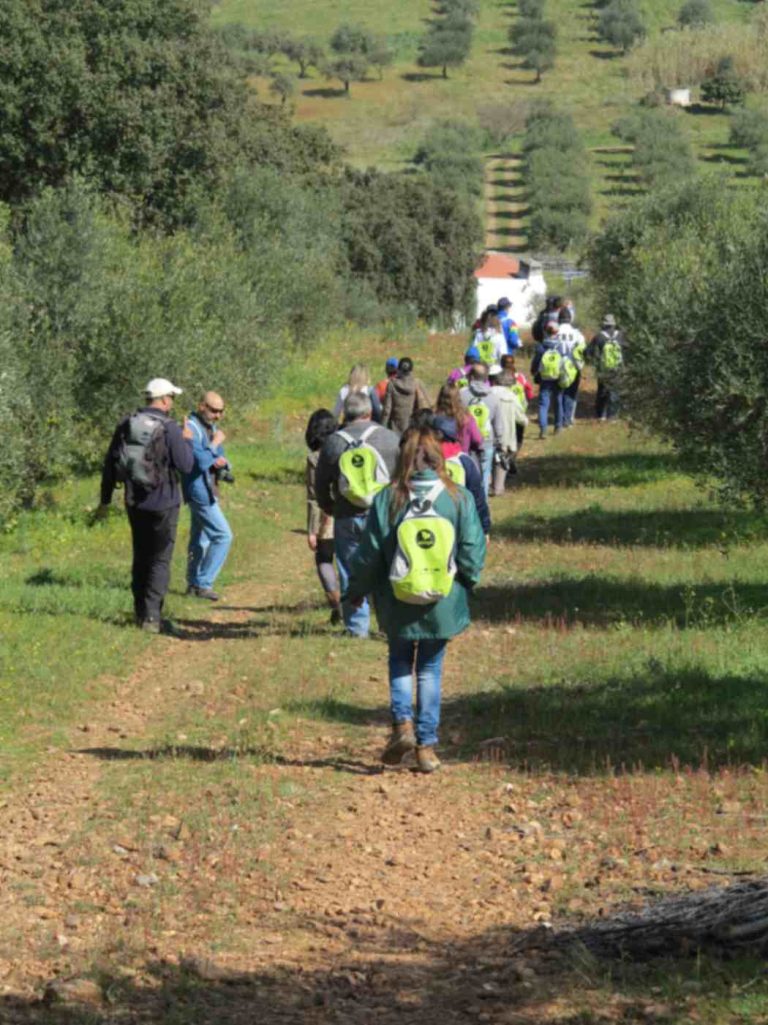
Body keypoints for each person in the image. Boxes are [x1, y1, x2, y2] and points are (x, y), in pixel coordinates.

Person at [346, 426, 486, 773]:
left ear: (403, 459)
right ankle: (426, 747)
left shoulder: (387, 498)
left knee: (399, 660)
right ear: (439, 459)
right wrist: (466, 583)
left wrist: (356, 592)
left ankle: (402, 727)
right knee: (429, 667)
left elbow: (370, 554)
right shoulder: (458, 497)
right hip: (443, 598)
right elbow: (472, 549)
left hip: (397, 598)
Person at [99, 378, 193, 632]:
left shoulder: (126, 423)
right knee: (160, 560)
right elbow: (185, 465)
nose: (172, 402)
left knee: (140, 556)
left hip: (134, 501)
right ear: (163, 400)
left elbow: (110, 463)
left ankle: (140, 614)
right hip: (164, 503)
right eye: (171, 398)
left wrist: (105, 500)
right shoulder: (171, 428)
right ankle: (153, 619)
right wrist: (187, 440)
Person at [315, 392, 400, 638]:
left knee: (349, 569)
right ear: (369, 413)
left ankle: (356, 627)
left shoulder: (333, 443)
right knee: (385, 567)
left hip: (347, 514)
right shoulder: (389, 438)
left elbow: (321, 482)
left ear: (345, 414)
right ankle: (387, 623)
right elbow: (401, 478)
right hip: (382, 514)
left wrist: (329, 506)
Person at [182, 391, 234, 601]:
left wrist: (223, 462)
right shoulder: (190, 428)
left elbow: (219, 457)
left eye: (221, 411)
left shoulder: (210, 427)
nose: (218, 415)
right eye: (214, 410)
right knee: (223, 536)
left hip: (210, 488)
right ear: (201, 406)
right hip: (199, 491)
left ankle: (193, 583)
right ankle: (204, 583)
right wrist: (214, 446)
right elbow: (200, 460)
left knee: (200, 539)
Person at [305, 409, 342, 625]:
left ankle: (336, 604)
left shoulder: (314, 458)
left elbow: (313, 495)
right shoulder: (344, 449)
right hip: (351, 509)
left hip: (328, 515)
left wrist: (311, 529)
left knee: (324, 559)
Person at [430, 415, 491, 535]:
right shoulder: (464, 461)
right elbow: (477, 496)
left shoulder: (426, 459)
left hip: (432, 522)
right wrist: (484, 528)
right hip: (461, 522)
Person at [460, 364, 503, 497]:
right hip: (487, 440)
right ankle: (482, 503)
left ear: (471, 377)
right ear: (486, 378)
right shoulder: (494, 397)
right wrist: (500, 441)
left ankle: (469, 503)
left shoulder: (462, 395)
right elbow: (498, 423)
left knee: (467, 474)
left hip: (467, 442)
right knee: (484, 474)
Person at [488, 366, 528, 496]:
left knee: (487, 459)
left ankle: (487, 484)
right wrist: (525, 422)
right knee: (502, 460)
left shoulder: (487, 392)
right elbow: (520, 417)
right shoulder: (511, 396)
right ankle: (498, 488)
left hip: (487, 432)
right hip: (506, 433)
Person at [587, 314, 626, 421]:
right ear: (613, 324)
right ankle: (613, 415)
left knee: (602, 390)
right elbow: (626, 348)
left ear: (604, 324)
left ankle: (601, 415)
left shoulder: (599, 336)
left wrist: (594, 361)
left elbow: (588, 352)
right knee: (615, 390)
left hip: (603, 368)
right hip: (617, 368)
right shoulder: (621, 335)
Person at [531, 322, 565, 439]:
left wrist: (534, 372)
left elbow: (536, 362)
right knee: (558, 401)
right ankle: (558, 426)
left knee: (543, 404)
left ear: (545, 331)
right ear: (557, 332)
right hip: (557, 376)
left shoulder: (541, 346)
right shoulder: (561, 345)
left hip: (545, 378)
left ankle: (543, 429)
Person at [434, 382, 483, 461]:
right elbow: (477, 439)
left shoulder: (434, 416)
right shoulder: (466, 418)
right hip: (461, 457)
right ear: (458, 397)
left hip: (439, 457)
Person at [381, 357, 430, 435]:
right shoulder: (417, 383)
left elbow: (387, 410)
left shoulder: (392, 384)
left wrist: (382, 427)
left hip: (395, 428)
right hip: (413, 428)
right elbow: (428, 403)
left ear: (398, 370)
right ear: (411, 370)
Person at [555, 308, 586, 428]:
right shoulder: (577, 333)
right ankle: (567, 419)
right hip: (572, 367)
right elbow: (582, 349)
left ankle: (559, 418)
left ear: (559, 318)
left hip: (557, 366)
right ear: (570, 319)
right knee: (570, 393)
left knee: (559, 393)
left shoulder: (554, 331)